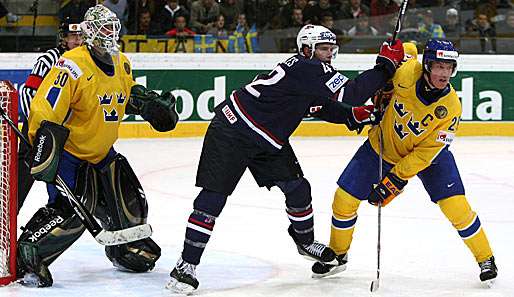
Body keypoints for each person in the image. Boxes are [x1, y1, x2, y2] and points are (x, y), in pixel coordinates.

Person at [165, 24, 405, 294]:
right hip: (232, 131)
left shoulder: (308, 71)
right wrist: (386, 65)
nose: (328, 54)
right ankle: (186, 265)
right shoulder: (309, 68)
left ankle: (305, 243)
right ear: (306, 49)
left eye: (331, 49)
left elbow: (319, 105)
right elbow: (352, 93)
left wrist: (352, 115)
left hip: (267, 138)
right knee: (213, 199)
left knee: (298, 188)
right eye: (323, 49)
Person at [311, 39, 498, 286]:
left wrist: (395, 180)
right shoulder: (407, 72)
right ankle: (338, 254)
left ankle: (486, 258)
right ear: (427, 65)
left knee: (457, 208)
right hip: (382, 146)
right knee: (343, 200)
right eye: (439, 66)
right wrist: (385, 76)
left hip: (430, 158)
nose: (444, 73)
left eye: (449, 67)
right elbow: (404, 53)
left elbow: (424, 153)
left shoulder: (451, 108)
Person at [16, 4, 178, 287]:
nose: (109, 34)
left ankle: (124, 248)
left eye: (112, 27)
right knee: (72, 213)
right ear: (90, 32)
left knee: (132, 203)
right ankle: (30, 253)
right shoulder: (71, 65)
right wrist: (44, 147)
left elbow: (126, 92)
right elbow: (45, 109)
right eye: (103, 28)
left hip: (103, 153)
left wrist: (148, 104)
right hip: (70, 155)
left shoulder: (122, 62)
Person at [17, 17, 83, 213]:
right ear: (63, 38)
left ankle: (57, 211)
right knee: (23, 175)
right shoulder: (49, 58)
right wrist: (39, 128)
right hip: (39, 128)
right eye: (73, 36)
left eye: (80, 36)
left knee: (60, 172)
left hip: (63, 131)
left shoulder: (85, 61)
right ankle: (8, 216)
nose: (77, 41)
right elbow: (28, 92)